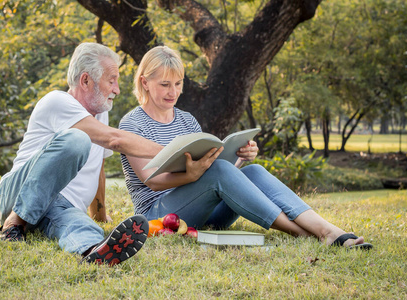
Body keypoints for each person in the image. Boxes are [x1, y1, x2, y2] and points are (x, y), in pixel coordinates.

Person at [119, 45, 372, 250]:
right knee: (218, 171)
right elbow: (151, 181)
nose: (172, 91)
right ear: (144, 82)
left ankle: (326, 227)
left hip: (208, 213)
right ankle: (309, 233)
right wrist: (192, 174)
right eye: (164, 84)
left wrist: (240, 158)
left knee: (254, 171)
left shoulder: (187, 120)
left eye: (178, 83)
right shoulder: (131, 123)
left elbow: (215, 172)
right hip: (160, 215)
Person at [0, 42, 164, 266]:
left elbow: (98, 168)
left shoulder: (100, 113)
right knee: (77, 139)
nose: (117, 89)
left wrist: (100, 215)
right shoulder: (57, 101)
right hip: (18, 194)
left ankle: (94, 251)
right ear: (86, 80)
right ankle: (14, 223)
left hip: (57, 207)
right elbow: (115, 140)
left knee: (78, 223)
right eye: (111, 80)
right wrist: (173, 151)